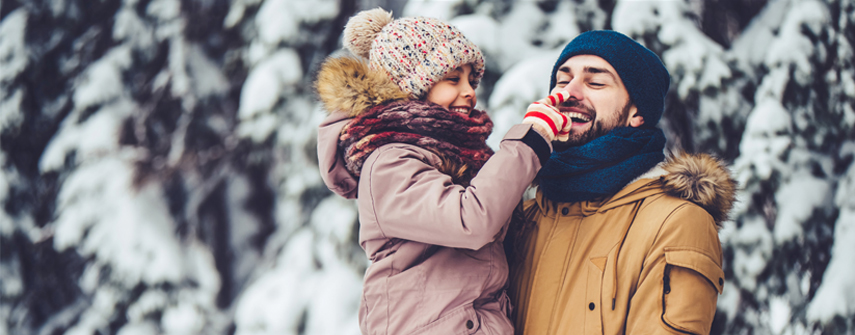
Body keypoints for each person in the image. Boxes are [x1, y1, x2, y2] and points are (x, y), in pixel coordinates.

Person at [316, 8, 574, 335]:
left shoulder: (453, 157)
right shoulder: (388, 163)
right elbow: (471, 220)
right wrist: (531, 139)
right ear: (408, 87)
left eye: (471, 79)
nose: (469, 91)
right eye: (453, 79)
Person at [506, 30, 738, 335]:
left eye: (596, 82)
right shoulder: (521, 218)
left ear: (637, 113)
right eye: (563, 81)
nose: (569, 93)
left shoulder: (676, 222)